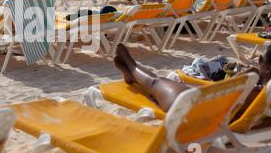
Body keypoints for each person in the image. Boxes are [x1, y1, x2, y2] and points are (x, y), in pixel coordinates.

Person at [113, 43, 271, 116]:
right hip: (215, 112)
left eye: (260, 59)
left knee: (156, 81)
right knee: (163, 84)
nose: (257, 61)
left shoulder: (253, 87)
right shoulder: (263, 92)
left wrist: (246, 75)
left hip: (194, 110)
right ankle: (130, 73)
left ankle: (132, 67)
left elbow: (221, 90)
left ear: (267, 67)